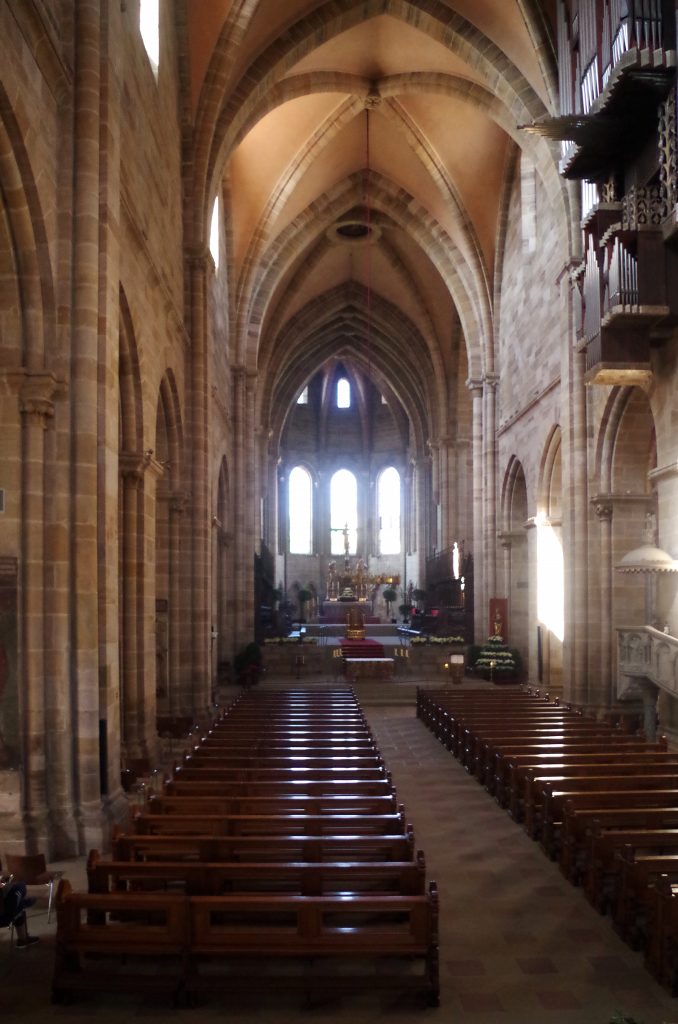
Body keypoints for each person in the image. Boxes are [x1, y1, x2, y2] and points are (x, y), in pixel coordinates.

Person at [0, 876, 39, 948]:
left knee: (16, 897)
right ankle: (23, 939)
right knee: (19, 887)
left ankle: (23, 903)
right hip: (4, 917)